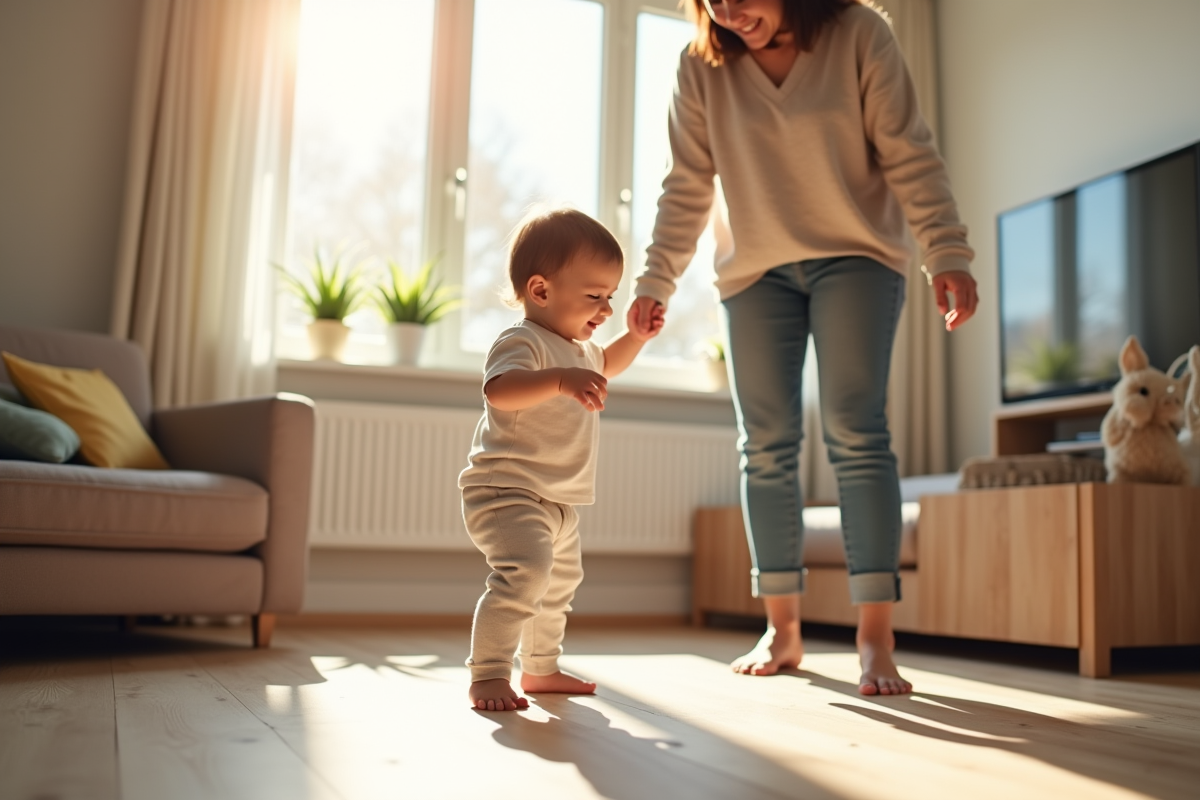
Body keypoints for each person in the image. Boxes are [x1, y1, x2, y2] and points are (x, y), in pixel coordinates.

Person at [629, 0, 979, 696]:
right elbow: (687, 185)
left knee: (856, 430)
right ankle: (781, 628)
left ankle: (875, 638)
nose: (729, 10)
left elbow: (909, 151)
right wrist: (656, 277)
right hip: (755, 270)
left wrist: (947, 251)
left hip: (856, 254)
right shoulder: (700, 67)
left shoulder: (858, 35)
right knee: (765, 443)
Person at [460, 208, 665, 711]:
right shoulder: (523, 341)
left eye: (611, 297)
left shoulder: (582, 350)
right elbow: (500, 391)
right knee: (525, 575)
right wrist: (557, 380)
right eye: (594, 296)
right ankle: (487, 674)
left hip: (558, 500)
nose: (605, 309)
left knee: (557, 585)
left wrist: (636, 337)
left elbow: (608, 363)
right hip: (506, 490)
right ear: (541, 290)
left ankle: (540, 668)